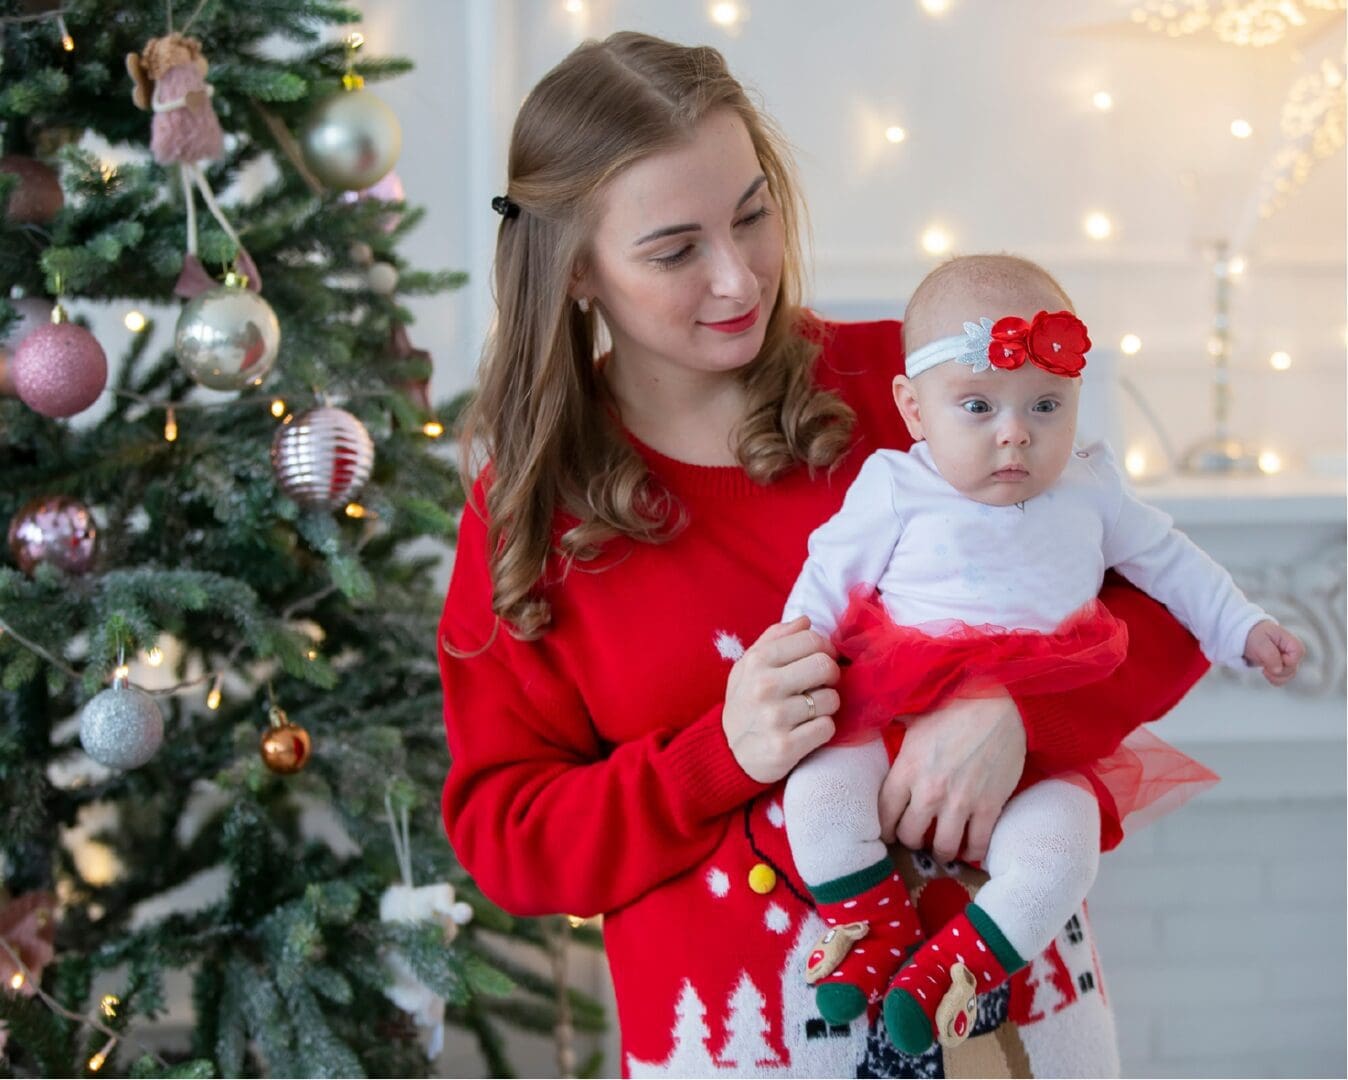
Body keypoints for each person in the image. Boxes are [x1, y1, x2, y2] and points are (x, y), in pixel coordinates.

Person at [438, 31, 1213, 1077]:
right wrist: (718, 756)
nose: (736, 275)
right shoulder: (529, 510)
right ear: (575, 270)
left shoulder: (913, 386)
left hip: (1012, 1027)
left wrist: (1015, 718)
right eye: (675, 250)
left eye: (751, 215)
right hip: (727, 1043)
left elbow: (1167, 612)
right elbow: (509, 837)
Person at [780, 253, 1305, 1057]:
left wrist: (1243, 626)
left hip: (1040, 736)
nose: (1016, 432)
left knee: (1065, 847)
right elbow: (826, 577)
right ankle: (870, 919)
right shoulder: (895, 485)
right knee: (817, 793)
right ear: (914, 409)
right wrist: (794, 652)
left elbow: (1171, 562)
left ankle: (954, 968)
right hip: (897, 711)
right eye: (980, 405)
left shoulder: (1091, 487)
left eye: (1046, 405)